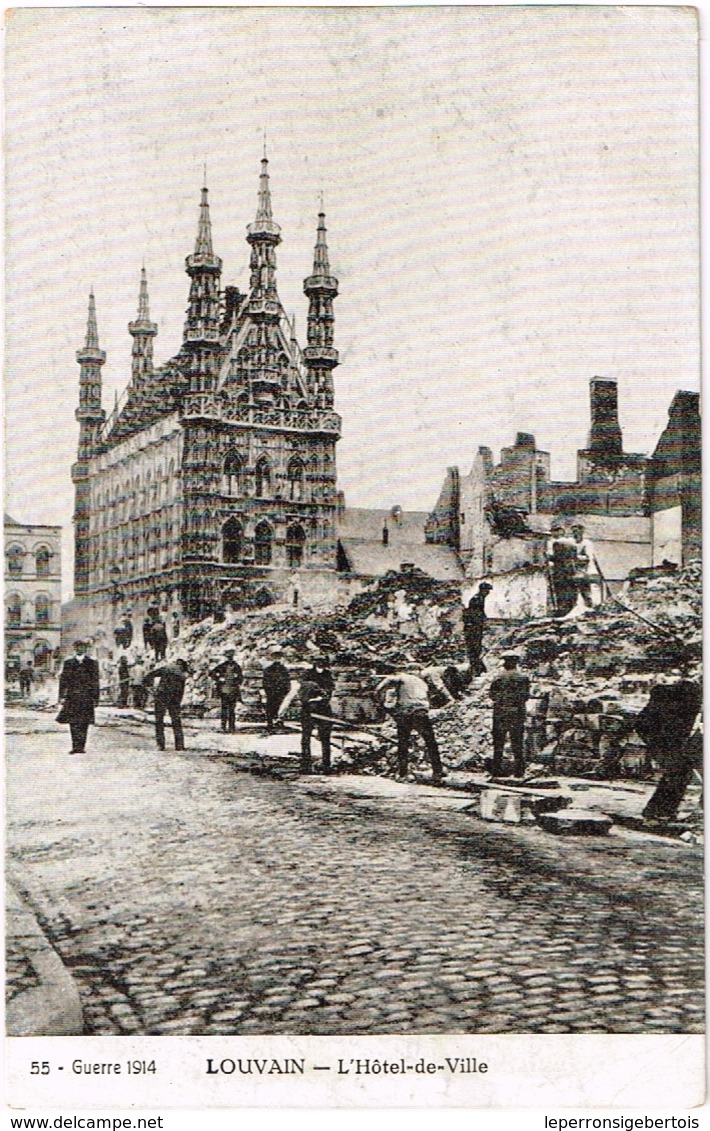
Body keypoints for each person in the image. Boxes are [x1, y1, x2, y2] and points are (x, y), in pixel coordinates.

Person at [634, 676, 703, 824]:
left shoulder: (678, 694)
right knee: (678, 772)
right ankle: (658, 813)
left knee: (678, 772)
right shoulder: (683, 697)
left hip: (669, 738)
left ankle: (659, 812)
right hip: (668, 738)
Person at [375, 668, 445, 785]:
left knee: (403, 743)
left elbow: (388, 681)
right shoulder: (422, 683)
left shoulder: (402, 677)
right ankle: (438, 771)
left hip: (406, 712)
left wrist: (377, 694)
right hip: (421, 712)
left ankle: (402, 772)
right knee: (430, 742)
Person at [279, 656, 335, 773]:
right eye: (318, 662)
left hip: (324, 709)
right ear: (314, 663)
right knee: (305, 737)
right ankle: (305, 765)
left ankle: (326, 764)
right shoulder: (307, 674)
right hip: (308, 709)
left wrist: (322, 697)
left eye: (323, 662)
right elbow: (297, 693)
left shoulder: (328, 675)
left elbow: (330, 690)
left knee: (325, 738)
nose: (320, 664)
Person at [489, 652, 530, 778]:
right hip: (516, 713)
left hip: (500, 713)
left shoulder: (498, 677)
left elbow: (492, 695)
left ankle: (496, 771)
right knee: (517, 743)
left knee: (498, 743)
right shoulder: (523, 678)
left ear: (504, 662)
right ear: (516, 662)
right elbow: (525, 696)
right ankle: (519, 772)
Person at [57, 639, 100, 754]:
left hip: (87, 697)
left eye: (83, 647)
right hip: (72, 697)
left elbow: (95, 681)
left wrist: (96, 698)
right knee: (73, 722)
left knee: (84, 722)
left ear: (86, 649)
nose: (81, 649)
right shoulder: (69, 663)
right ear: (75, 648)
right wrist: (61, 696)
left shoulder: (92, 663)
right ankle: (75, 746)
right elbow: (63, 680)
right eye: (78, 647)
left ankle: (81, 746)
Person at [144, 658, 188, 751]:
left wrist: (150, 688)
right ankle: (179, 745)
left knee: (159, 721)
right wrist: (178, 702)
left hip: (161, 695)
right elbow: (181, 692)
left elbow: (149, 675)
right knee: (176, 721)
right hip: (174, 698)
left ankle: (160, 744)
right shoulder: (182, 675)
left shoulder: (166, 668)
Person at [546, 522, 578, 617]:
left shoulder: (557, 543)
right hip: (571, 568)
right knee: (571, 589)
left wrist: (548, 557)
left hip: (560, 569)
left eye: (555, 531)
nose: (553, 533)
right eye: (552, 531)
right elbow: (574, 556)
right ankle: (571, 608)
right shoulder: (572, 542)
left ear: (561, 531)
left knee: (560, 589)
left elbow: (557, 557)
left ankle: (562, 610)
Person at [210, 648, 243, 733]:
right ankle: (223, 726)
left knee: (231, 709)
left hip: (233, 689)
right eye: (228, 657)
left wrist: (236, 682)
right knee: (224, 708)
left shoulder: (236, 666)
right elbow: (212, 673)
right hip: (224, 689)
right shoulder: (222, 665)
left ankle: (231, 727)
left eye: (231, 657)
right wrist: (219, 679)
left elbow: (241, 678)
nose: (229, 658)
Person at [462, 582, 492, 675]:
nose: (488, 593)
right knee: (474, 649)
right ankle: (476, 669)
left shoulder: (479, 599)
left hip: (474, 627)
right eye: (487, 590)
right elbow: (475, 614)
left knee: (475, 649)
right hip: (473, 628)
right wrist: (481, 623)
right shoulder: (477, 599)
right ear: (482, 590)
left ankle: (477, 668)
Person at [262, 647, 291, 732]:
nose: (277, 658)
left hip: (281, 691)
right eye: (275, 656)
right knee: (270, 707)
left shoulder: (284, 669)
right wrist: (269, 690)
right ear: (272, 657)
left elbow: (286, 680)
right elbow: (265, 681)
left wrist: (286, 689)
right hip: (271, 691)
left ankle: (279, 723)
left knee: (280, 707)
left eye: (278, 656)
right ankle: (270, 725)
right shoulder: (268, 669)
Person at [571, 522, 598, 611]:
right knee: (572, 594)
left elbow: (588, 558)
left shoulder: (586, 543)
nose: (575, 533)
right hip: (571, 571)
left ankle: (590, 609)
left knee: (586, 593)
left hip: (583, 571)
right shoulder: (571, 543)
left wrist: (575, 558)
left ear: (582, 531)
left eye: (576, 531)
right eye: (573, 532)